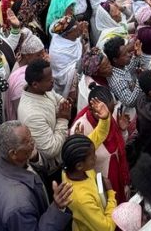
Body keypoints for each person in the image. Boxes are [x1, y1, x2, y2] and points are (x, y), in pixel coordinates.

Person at [0, 120, 74, 231]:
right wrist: (57, 209)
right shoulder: (19, 205)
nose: (33, 143)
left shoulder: (2, 159)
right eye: (27, 141)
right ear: (13, 153)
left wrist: (33, 158)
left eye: (31, 137)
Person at [61, 99, 117, 231]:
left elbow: (99, 135)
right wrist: (110, 194)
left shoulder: (71, 166)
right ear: (80, 165)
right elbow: (107, 227)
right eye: (92, 157)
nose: (96, 157)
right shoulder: (82, 199)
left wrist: (104, 119)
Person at [18, 58, 72, 177]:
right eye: (48, 80)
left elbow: (58, 99)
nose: (53, 81)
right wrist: (63, 119)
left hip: (61, 142)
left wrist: (63, 107)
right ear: (35, 84)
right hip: (54, 168)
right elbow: (51, 150)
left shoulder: (43, 89)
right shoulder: (32, 114)